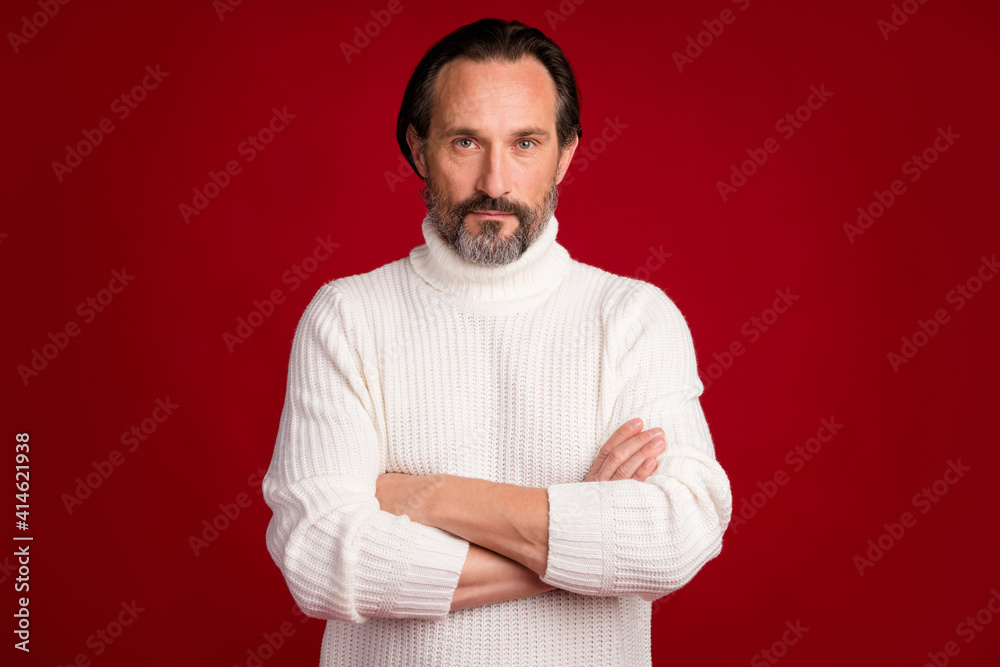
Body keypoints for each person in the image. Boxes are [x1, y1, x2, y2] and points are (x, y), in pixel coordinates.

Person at [262, 17, 732, 666]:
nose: (494, 182)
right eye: (465, 142)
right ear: (419, 149)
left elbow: (677, 533)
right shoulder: (347, 316)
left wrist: (432, 497)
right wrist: (582, 539)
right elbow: (320, 558)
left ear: (565, 154)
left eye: (525, 143)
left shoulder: (633, 318)